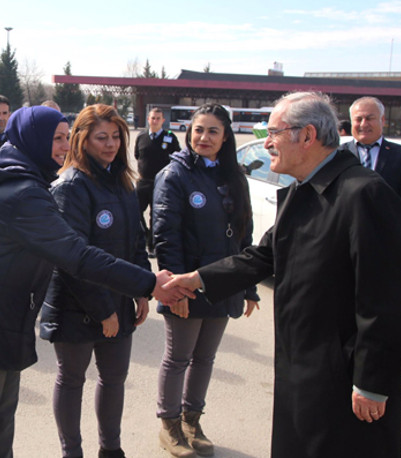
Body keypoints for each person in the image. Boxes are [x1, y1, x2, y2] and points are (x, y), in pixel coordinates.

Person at [164, 92, 401, 458]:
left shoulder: (364, 194)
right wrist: (198, 279)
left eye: (274, 133)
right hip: (304, 368)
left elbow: (389, 301)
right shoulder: (303, 190)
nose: (265, 143)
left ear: (308, 135)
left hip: (344, 378)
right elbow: (263, 256)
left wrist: (373, 382)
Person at [0, 106, 191, 458]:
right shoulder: (24, 191)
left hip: (5, 310)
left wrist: (141, 284)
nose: (64, 146)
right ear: (34, 139)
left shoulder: (28, 180)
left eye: (65, 136)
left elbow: (129, 242)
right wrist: (148, 283)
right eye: (57, 138)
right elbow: (76, 255)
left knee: (0, 411)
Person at [39, 104, 150, 458]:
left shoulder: (124, 184)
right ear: (82, 140)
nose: (111, 144)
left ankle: (111, 449)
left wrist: (142, 289)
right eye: (101, 137)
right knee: (72, 380)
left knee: (114, 379)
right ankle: (72, 451)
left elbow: (136, 243)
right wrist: (103, 311)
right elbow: (71, 260)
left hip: (119, 301)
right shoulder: (71, 187)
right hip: (76, 307)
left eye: (116, 136)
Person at [152, 104, 258, 457]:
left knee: (205, 358)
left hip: (223, 284)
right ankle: (169, 427)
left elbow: (245, 236)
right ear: (188, 132)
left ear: (225, 136)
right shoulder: (174, 175)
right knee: (178, 357)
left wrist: (250, 286)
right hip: (187, 284)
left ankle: (191, 421)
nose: (204, 137)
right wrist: (175, 290)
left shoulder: (233, 175)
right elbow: (166, 237)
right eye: (198, 130)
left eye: (213, 131)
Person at [338, 96, 401, 214]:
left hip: (388, 228)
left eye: (369, 118)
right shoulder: (337, 154)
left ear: (383, 120)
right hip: (346, 228)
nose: (363, 124)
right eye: (358, 119)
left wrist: (383, 218)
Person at [134, 107, 180, 255]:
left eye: (158, 118)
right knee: (134, 211)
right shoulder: (141, 137)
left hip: (161, 184)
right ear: (148, 119)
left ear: (163, 120)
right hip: (143, 182)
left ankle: (152, 245)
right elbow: (137, 156)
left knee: (157, 215)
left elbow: (177, 158)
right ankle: (146, 235)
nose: (155, 121)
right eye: (152, 118)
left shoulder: (170, 137)